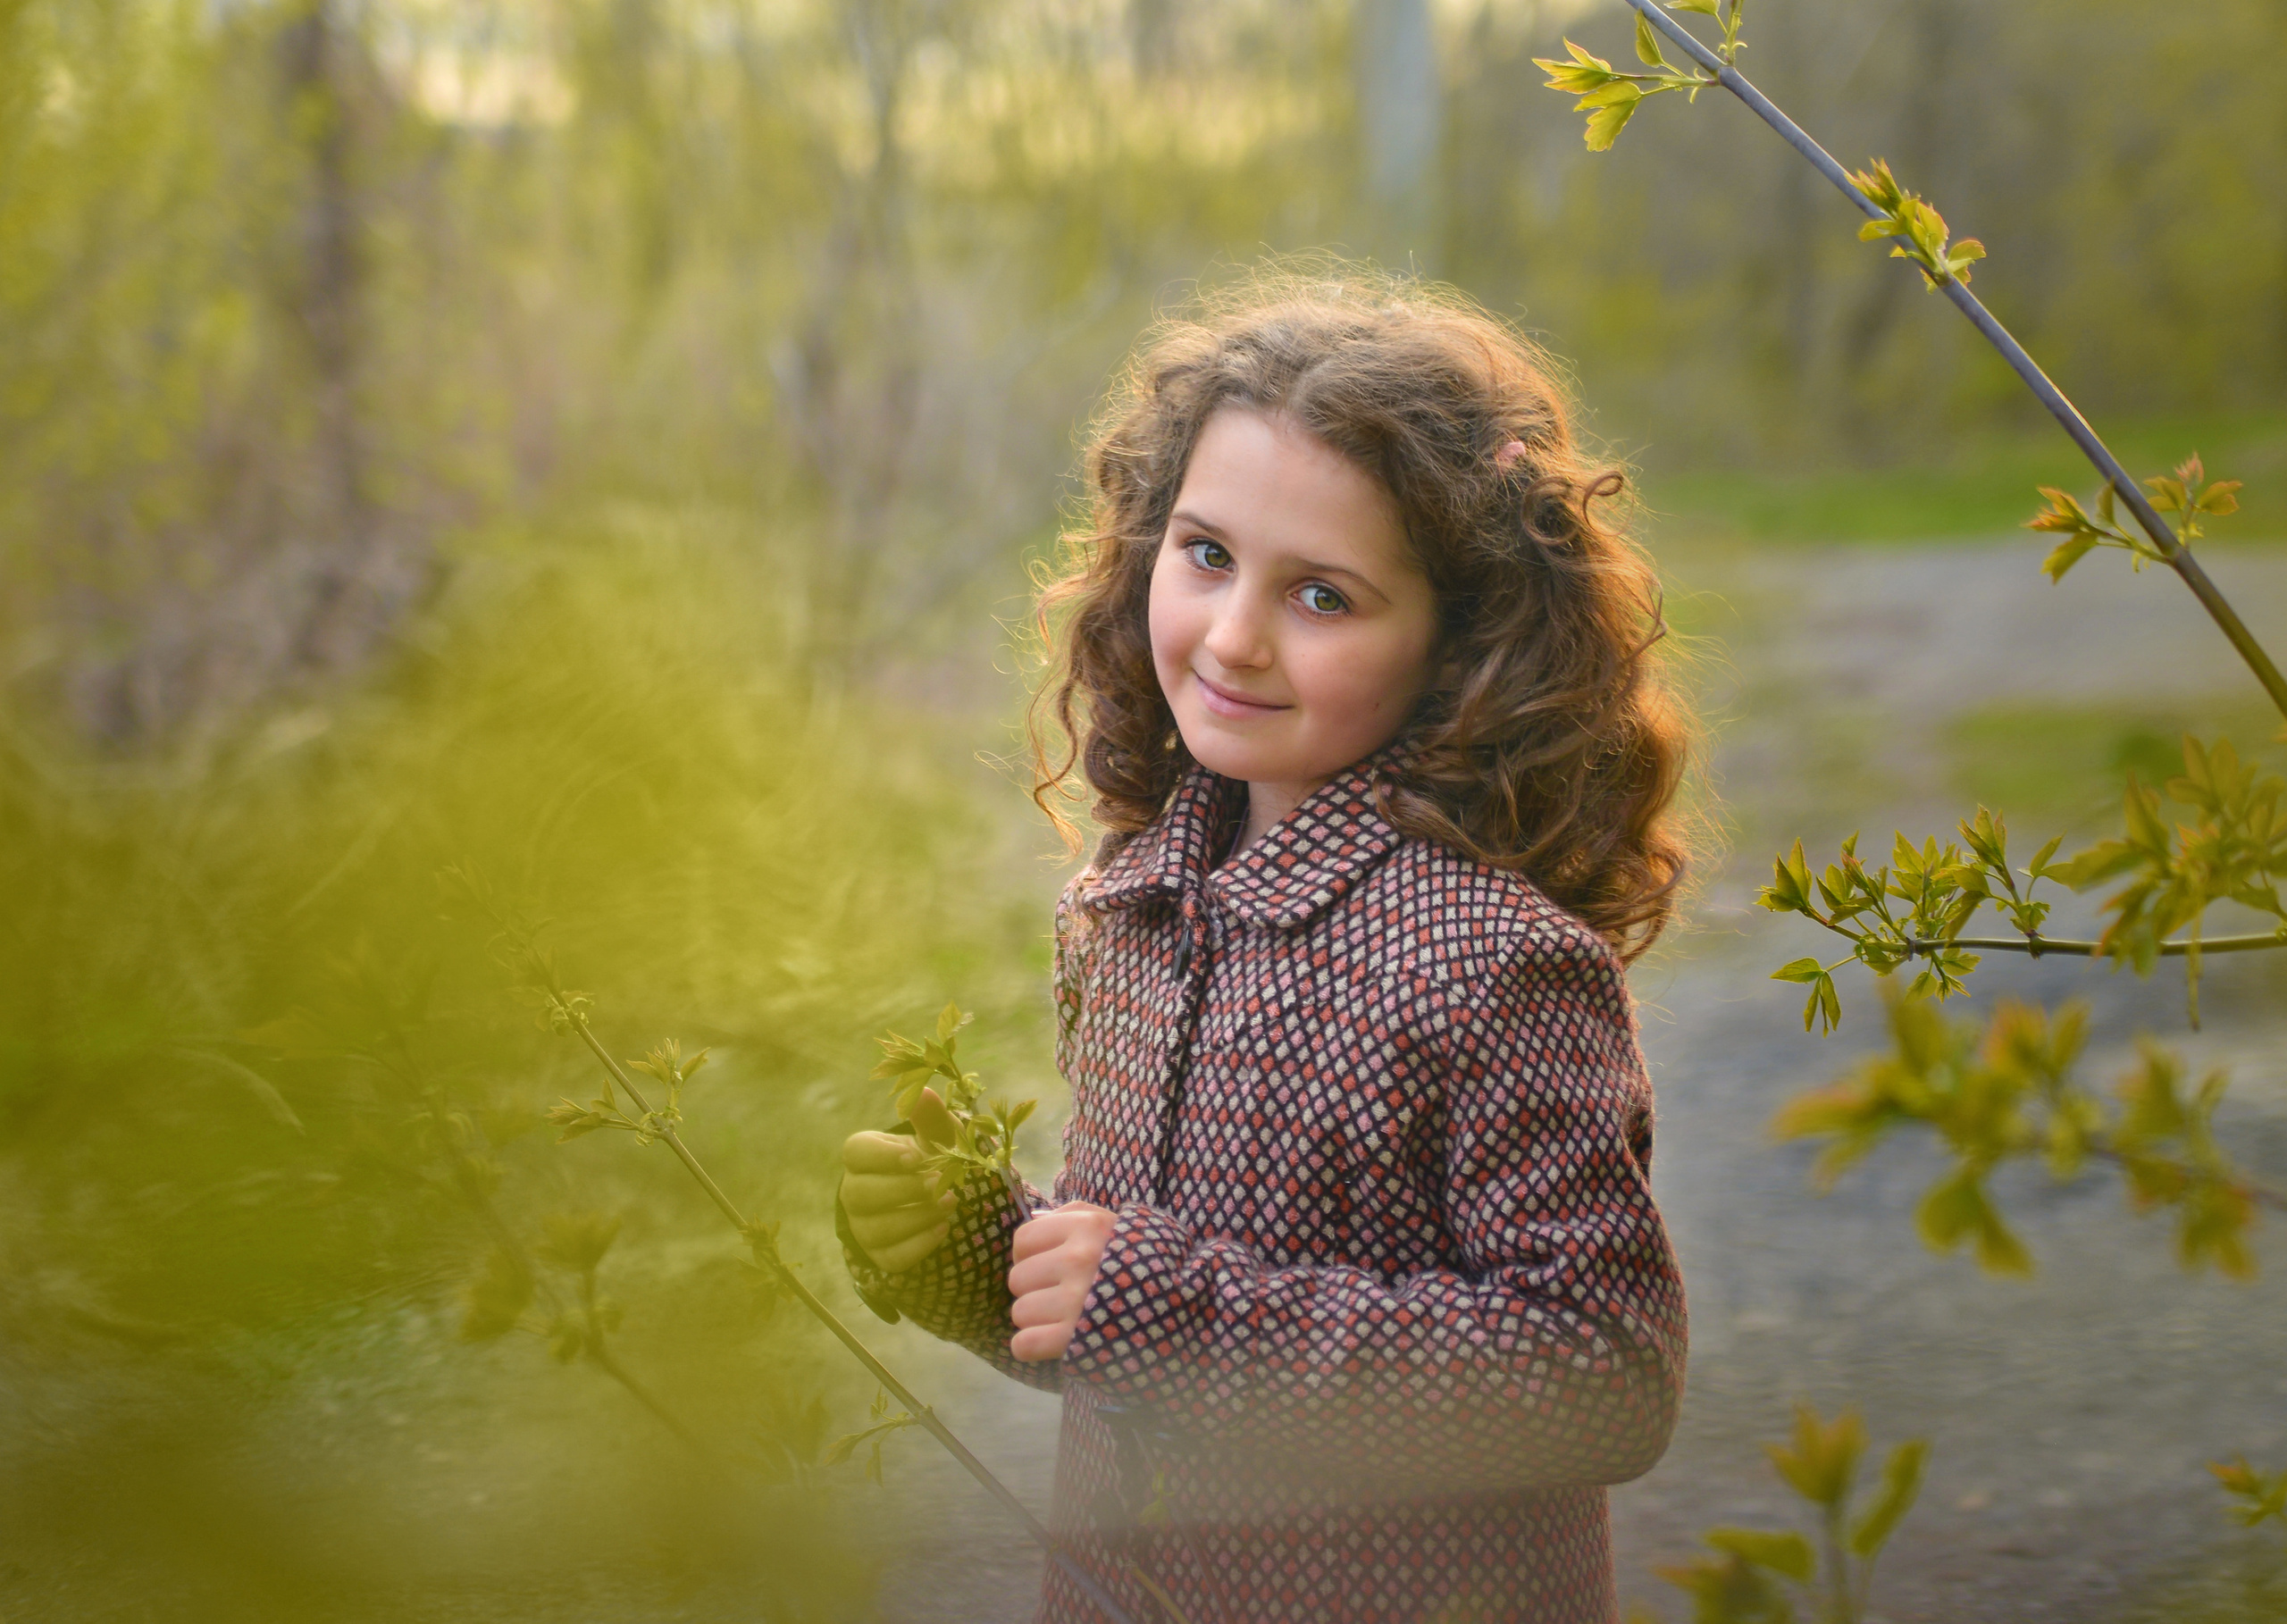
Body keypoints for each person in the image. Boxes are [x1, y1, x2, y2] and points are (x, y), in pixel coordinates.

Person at [837, 265, 1693, 1624]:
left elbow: (1602, 1375)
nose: (1234, 638)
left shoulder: (1489, 962)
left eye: (1324, 597)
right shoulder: (1125, 907)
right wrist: (983, 1254)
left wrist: (1167, 1311)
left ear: (1460, 640)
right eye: (1207, 554)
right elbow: (1128, 1330)